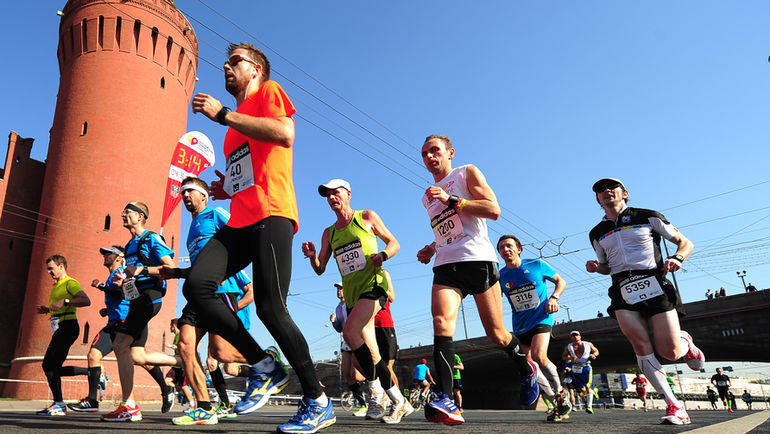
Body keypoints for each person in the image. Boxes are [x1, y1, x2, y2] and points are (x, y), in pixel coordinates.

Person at [187, 42, 333, 433]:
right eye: (226, 62)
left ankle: (318, 400)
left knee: (270, 308)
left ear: (255, 69)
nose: (226, 66)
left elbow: (284, 133)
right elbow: (251, 167)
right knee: (197, 285)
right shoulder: (234, 128)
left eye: (235, 61)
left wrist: (223, 114)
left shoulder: (268, 92)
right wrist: (228, 188)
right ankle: (264, 365)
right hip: (240, 219)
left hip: (272, 213)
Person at [416, 134, 538, 425]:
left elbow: (493, 210)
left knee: (497, 334)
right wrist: (431, 247)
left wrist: (451, 199)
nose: (429, 157)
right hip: (446, 264)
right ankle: (447, 399)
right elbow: (448, 229)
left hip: (478, 261)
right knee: (441, 324)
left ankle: (526, 369)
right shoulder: (427, 196)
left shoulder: (466, 173)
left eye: (435, 150)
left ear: (450, 153)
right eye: (424, 153)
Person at [586, 178, 705, 425]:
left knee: (670, 352)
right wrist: (597, 267)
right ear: (597, 199)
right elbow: (606, 267)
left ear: (625, 193)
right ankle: (674, 406)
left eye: (611, 187)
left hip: (654, 283)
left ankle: (685, 342)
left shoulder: (648, 216)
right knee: (640, 345)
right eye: (600, 190)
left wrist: (678, 258)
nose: (606, 191)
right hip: (622, 289)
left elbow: (685, 242)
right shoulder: (596, 233)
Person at [301, 178, 412, 424]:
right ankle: (399, 400)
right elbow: (320, 268)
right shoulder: (329, 233)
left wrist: (383, 255)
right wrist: (312, 256)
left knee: (350, 332)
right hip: (352, 295)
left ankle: (375, 393)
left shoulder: (366, 217)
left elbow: (394, 243)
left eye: (336, 192)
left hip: (374, 286)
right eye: (327, 195)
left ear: (348, 194)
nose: (331, 197)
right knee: (372, 351)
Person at [160, 177, 261, 425]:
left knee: (221, 353)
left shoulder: (216, 213)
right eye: (183, 192)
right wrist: (176, 273)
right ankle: (204, 408)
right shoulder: (192, 228)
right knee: (185, 346)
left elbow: (242, 235)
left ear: (204, 196)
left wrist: (231, 269)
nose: (185, 196)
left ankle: (267, 361)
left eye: (190, 191)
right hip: (197, 294)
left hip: (221, 290)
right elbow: (199, 268)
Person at [69, 246, 175, 413]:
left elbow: (123, 292)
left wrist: (101, 286)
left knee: (139, 359)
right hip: (113, 324)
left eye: (109, 253)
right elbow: (121, 299)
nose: (105, 256)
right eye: (104, 253)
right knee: (94, 355)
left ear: (119, 258)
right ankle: (92, 401)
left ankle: (167, 385)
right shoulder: (113, 274)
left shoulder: (123, 272)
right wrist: (108, 310)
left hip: (128, 321)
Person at [101, 202, 180, 422]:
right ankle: (180, 361)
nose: (122, 214)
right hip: (136, 298)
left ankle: (129, 406)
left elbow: (171, 268)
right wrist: (124, 279)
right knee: (136, 354)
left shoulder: (152, 238)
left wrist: (141, 270)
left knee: (119, 345)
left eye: (127, 212)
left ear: (140, 216)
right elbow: (133, 275)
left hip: (149, 297)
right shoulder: (129, 245)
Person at [496, 235, 571, 422]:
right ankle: (555, 402)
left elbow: (561, 281)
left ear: (519, 249)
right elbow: (493, 300)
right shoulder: (500, 276)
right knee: (528, 365)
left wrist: (554, 298)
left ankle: (561, 393)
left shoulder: (536, 264)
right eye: (501, 248)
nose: (505, 250)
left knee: (539, 355)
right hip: (520, 326)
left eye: (509, 246)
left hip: (541, 318)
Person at [35, 255, 91, 416]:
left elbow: (85, 300)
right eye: (47, 269)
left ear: (61, 266)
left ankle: (59, 404)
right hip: (61, 327)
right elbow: (60, 307)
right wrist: (48, 310)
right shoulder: (57, 285)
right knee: (53, 368)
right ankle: (93, 373)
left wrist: (65, 301)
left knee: (48, 365)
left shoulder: (70, 283)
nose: (48, 272)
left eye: (51, 268)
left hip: (68, 326)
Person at [330, 283, 368, 417]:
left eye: (341, 288)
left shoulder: (353, 303)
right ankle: (363, 405)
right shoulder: (338, 308)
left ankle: (375, 379)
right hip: (346, 342)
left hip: (357, 338)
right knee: (348, 375)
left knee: (356, 375)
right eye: (337, 289)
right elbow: (339, 328)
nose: (338, 291)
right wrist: (333, 322)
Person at [562, 331, 598, 414]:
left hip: (586, 368)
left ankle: (589, 407)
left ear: (580, 336)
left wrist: (594, 355)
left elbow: (596, 351)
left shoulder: (588, 344)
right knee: (582, 389)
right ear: (571, 337)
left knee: (587, 387)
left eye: (576, 335)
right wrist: (570, 358)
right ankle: (594, 391)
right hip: (576, 369)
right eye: (573, 335)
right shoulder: (568, 347)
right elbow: (564, 357)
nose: (575, 337)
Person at [164, 319, 195, 412]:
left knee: (184, 386)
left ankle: (192, 404)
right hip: (175, 366)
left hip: (182, 366)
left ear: (174, 325)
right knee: (167, 381)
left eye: (170, 326)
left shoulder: (181, 335)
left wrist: (171, 346)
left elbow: (182, 346)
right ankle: (177, 391)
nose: (170, 328)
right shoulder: (176, 336)